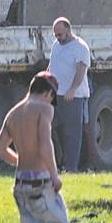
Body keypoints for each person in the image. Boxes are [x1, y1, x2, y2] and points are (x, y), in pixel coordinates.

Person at [0, 73, 69, 223]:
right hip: (40, 182)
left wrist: (22, 159)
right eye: (51, 98)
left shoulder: (13, 113)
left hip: (19, 184)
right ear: (49, 93)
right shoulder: (44, 109)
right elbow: (45, 143)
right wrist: (54, 175)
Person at [47, 17, 92, 170]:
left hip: (74, 97)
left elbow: (81, 70)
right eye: (55, 35)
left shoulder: (80, 47)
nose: (58, 38)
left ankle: (72, 168)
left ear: (68, 30)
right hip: (55, 95)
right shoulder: (56, 45)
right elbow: (51, 67)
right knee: (48, 128)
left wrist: (72, 89)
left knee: (72, 134)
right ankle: (57, 163)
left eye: (60, 34)